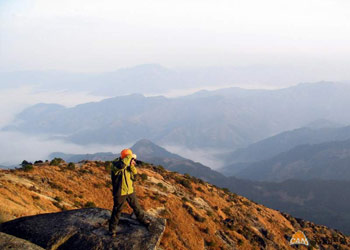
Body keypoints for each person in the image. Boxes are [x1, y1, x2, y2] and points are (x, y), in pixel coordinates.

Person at [109, 148, 150, 235]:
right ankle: (112, 229)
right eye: (130, 157)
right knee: (117, 210)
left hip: (130, 191)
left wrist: (132, 166)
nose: (132, 160)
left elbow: (134, 178)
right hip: (120, 192)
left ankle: (143, 220)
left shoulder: (128, 166)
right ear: (126, 157)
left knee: (136, 207)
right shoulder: (115, 164)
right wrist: (129, 158)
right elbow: (121, 166)